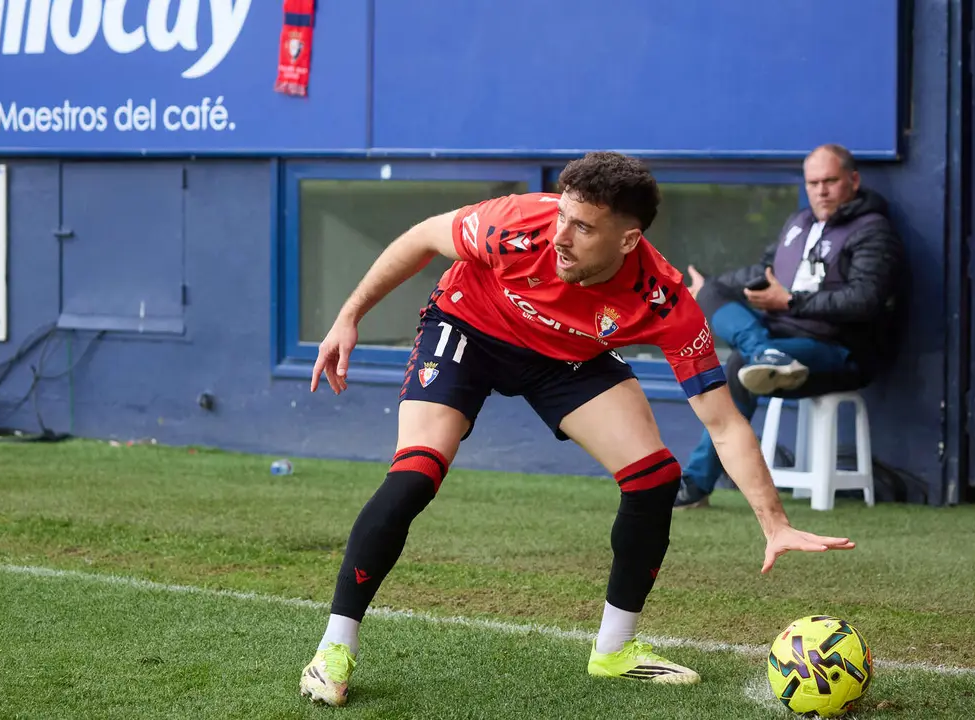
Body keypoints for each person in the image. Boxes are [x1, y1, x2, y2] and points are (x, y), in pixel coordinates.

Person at [299, 151, 856, 707]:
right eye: (562, 216)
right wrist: (350, 315)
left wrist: (775, 523)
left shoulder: (664, 302)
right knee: (416, 473)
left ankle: (615, 650)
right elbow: (420, 237)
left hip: (564, 355)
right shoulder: (516, 224)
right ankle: (333, 649)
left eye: (583, 227)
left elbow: (724, 423)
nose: (560, 236)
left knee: (654, 477)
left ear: (629, 240)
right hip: (469, 325)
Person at [674, 144, 906, 509]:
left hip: (837, 349)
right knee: (711, 292)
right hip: (781, 337)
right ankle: (761, 350)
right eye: (813, 182)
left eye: (830, 181)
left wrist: (792, 302)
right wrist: (711, 289)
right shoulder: (799, 223)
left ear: (854, 180)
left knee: (738, 365)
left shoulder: (873, 231)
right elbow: (762, 274)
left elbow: (865, 300)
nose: (821, 190)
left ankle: (696, 483)